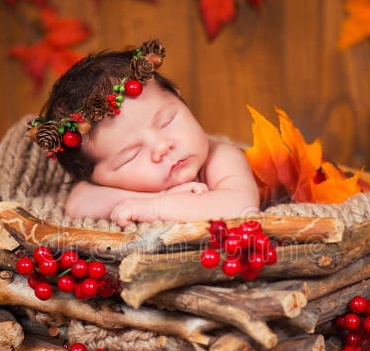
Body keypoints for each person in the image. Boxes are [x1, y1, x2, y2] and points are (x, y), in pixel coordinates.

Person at [28, 39, 259, 227]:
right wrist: (155, 197)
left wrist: (155, 208)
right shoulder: (112, 186)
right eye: (132, 155)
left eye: (166, 122)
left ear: (180, 98)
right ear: (96, 178)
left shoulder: (221, 156)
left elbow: (240, 204)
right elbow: (78, 204)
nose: (162, 146)